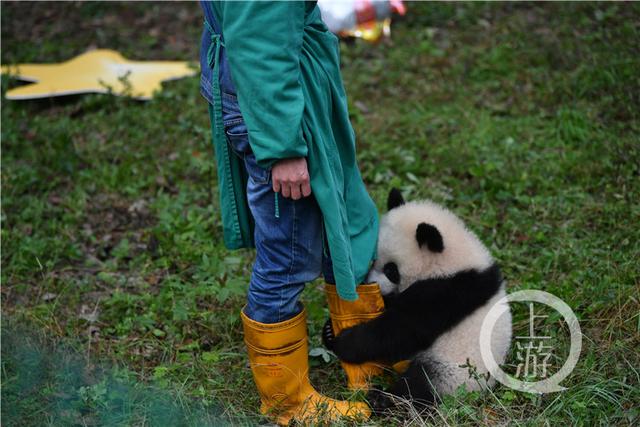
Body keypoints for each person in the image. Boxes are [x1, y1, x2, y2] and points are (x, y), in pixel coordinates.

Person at [199, 1, 383, 424]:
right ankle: (288, 401)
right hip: (271, 105)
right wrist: (282, 148)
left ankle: (368, 355)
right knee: (288, 252)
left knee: (339, 215)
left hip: (268, 89)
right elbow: (260, 42)